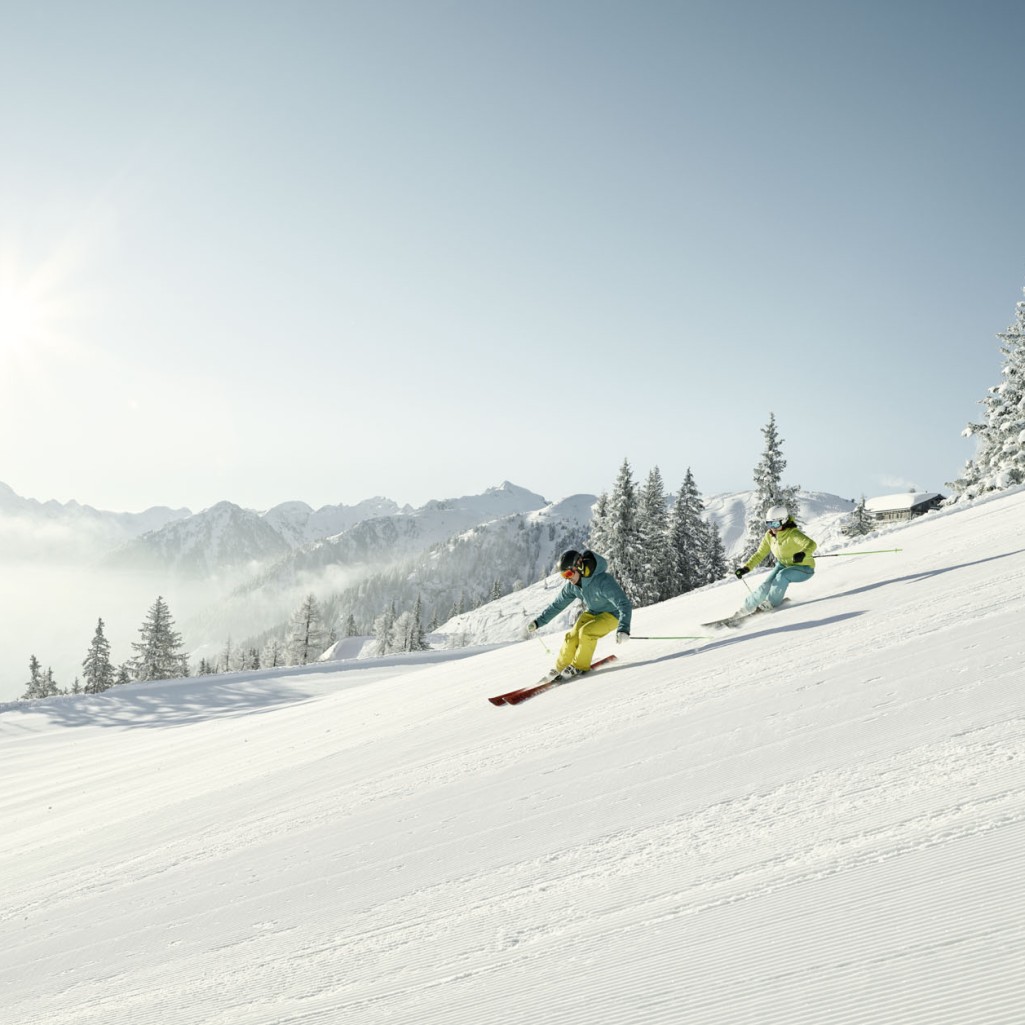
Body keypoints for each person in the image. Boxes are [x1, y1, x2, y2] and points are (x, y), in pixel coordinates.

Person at [524, 548, 632, 682]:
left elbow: (624, 603)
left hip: (613, 614)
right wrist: (538, 622)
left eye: (569, 573)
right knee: (572, 637)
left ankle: (579, 666)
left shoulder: (602, 581)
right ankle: (559, 669)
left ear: (579, 567)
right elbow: (557, 605)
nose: (568, 578)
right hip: (593, 612)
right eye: (564, 575)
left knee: (586, 632)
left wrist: (624, 628)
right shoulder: (573, 586)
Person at [734, 505, 817, 614]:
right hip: (783, 565)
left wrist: (803, 553)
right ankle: (746, 609)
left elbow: (811, 544)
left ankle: (770, 604)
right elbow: (759, 554)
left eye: (776, 524)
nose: (772, 528)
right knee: (765, 586)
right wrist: (746, 568)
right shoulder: (769, 536)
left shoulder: (793, 534)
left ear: (784, 521)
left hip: (804, 568)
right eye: (769, 524)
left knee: (782, 576)